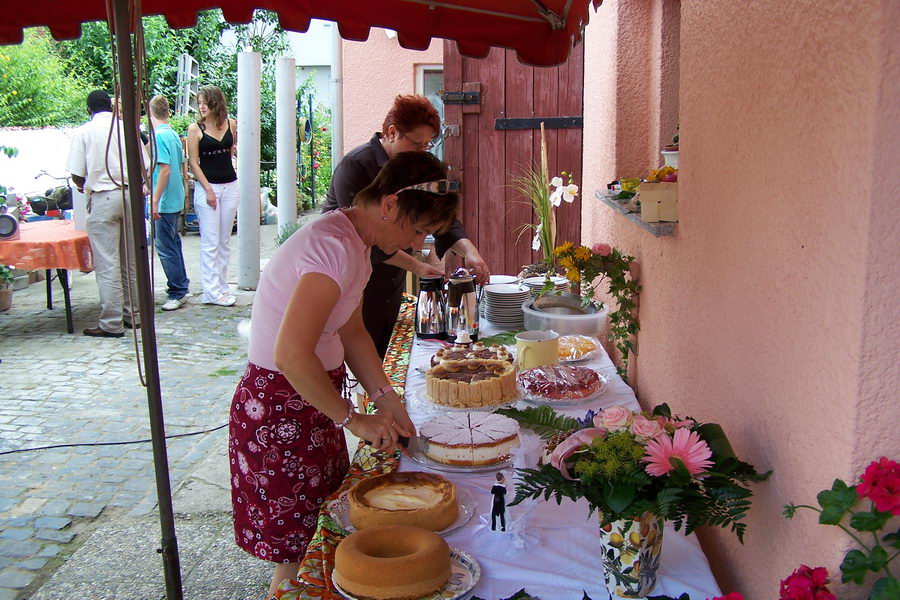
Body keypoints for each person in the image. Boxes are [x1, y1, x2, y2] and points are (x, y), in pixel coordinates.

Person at [230, 151, 459, 595]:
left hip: (312, 399)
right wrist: (353, 418)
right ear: (390, 204)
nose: (415, 245)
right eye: (416, 230)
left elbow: (352, 332)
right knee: (300, 548)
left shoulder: (355, 240)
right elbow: (291, 356)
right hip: (280, 407)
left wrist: (388, 401)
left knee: (321, 528)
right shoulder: (332, 246)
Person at [321, 94, 490, 358]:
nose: (422, 151)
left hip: (389, 284)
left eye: (427, 145)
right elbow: (370, 241)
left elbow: (437, 216)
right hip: (357, 283)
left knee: (381, 354)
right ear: (391, 132)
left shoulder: (413, 173)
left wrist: (471, 252)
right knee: (356, 352)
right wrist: (417, 266)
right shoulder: (356, 166)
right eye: (416, 143)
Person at [66, 90, 148, 338]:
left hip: (103, 196)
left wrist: (86, 185)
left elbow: (77, 174)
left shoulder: (83, 132)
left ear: (89, 109)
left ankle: (111, 323)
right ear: (111, 108)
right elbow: (145, 165)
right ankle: (132, 315)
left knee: (107, 261)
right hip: (129, 196)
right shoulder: (127, 129)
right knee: (131, 259)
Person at [186, 85, 238, 307]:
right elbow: (193, 162)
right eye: (199, 103)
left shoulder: (230, 124)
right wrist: (207, 189)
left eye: (205, 102)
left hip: (230, 184)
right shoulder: (195, 129)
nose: (202, 107)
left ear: (215, 103)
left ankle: (223, 287)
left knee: (224, 241)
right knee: (210, 242)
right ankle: (212, 292)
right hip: (209, 186)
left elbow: (231, 149)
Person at [148, 95, 190, 311]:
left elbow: (164, 169)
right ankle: (181, 285)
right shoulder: (173, 134)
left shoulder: (158, 137)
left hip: (164, 200)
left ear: (150, 112)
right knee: (173, 243)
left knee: (165, 246)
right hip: (174, 195)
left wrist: (154, 200)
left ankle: (177, 290)